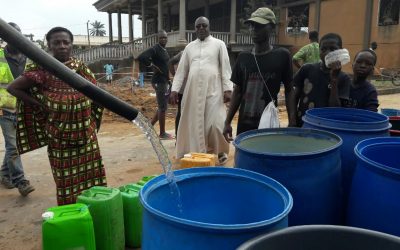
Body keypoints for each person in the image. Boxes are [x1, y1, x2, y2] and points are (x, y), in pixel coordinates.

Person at [7, 27, 106, 205]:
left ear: (71, 45)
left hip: (87, 135)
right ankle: (70, 214)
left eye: (66, 42)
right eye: (57, 43)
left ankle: (95, 208)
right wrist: (40, 106)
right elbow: (13, 88)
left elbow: (97, 92)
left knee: (93, 178)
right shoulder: (42, 70)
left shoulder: (79, 67)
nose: (62, 46)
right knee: (66, 181)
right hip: (60, 138)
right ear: (49, 45)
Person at [170, 16, 233, 164]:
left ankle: (220, 152)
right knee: (194, 123)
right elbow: (181, 71)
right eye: (198, 26)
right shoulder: (189, 47)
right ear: (195, 29)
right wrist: (174, 90)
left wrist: (228, 88)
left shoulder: (219, 44)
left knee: (216, 123)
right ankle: (197, 154)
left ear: (209, 27)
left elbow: (226, 68)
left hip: (214, 90)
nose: (201, 28)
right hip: (192, 92)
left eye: (204, 25)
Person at [223, 7, 293, 140]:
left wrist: (292, 121)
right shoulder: (243, 58)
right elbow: (237, 92)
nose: (254, 29)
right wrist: (227, 122)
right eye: (252, 25)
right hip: (245, 124)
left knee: (267, 157)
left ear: (271, 27)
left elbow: (289, 90)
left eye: (260, 26)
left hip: (268, 122)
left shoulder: (282, 56)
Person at [0, 22, 34, 196]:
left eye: (18, 34)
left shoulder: (30, 57)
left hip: (24, 107)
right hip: (4, 110)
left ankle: (4, 174)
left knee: (13, 145)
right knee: (14, 146)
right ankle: (21, 181)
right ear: (4, 38)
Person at [288, 33, 351, 127]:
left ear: (340, 51)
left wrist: (334, 80)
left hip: (326, 128)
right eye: (323, 49)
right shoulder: (307, 69)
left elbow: (335, 110)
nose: (327, 52)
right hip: (303, 124)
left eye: (333, 49)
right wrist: (292, 120)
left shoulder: (344, 78)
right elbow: (294, 95)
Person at [138, 30, 173, 140]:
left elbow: (164, 67)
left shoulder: (164, 50)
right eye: (161, 37)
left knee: (162, 107)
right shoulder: (155, 49)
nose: (163, 39)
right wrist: (151, 65)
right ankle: (162, 133)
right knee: (162, 107)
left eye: (165, 37)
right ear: (158, 39)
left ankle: (149, 128)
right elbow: (142, 57)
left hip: (164, 81)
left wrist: (169, 80)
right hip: (158, 81)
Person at [168, 51, 184, 138]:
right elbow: (170, 62)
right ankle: (178, 137)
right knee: (181, 112)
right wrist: (175, 75)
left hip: (192, 87)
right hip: (182, 88)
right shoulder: (183, 53)